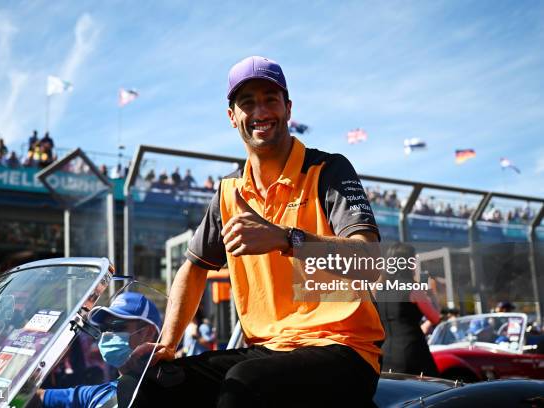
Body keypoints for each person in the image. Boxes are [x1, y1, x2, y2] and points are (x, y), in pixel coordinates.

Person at [128, 56, 384, 407]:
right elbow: (193, 267)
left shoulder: (328, 169)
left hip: (345, 349)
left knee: (244, 383)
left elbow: (370, 262)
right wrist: (169, 344)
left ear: (288, 108)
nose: (260, 110)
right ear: (232, 117)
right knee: (151, 381)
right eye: (247, 103)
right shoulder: (228, 191)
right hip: (270, 351)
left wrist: (285, 238)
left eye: (270, 99)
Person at [39, 292, 161, 408]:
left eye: (116, 325)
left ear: (148, 332)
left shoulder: (169, 388)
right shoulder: (96, 395)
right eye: (104, 327)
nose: (107, 333)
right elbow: (37, 398)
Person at [376, 243, 440, 376]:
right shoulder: (413, 288)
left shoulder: (380, 290)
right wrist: (431, 292)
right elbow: (435, 317)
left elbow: (399, 322)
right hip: (412, 353)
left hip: (386, 353)